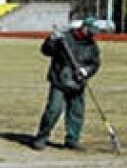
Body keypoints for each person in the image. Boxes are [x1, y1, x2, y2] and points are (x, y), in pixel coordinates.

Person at [31, 17, 101, 151]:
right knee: (53, 110)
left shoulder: (92, 45)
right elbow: (46, 50)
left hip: (78, 83)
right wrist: (51, 39)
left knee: (76, 112)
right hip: (60, 80)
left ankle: (72, 140)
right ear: (83, 28)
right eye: (90, 31)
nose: (92, 34)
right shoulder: (64, 38)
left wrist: (86, 71)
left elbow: (95, 63)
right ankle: (41, 137)